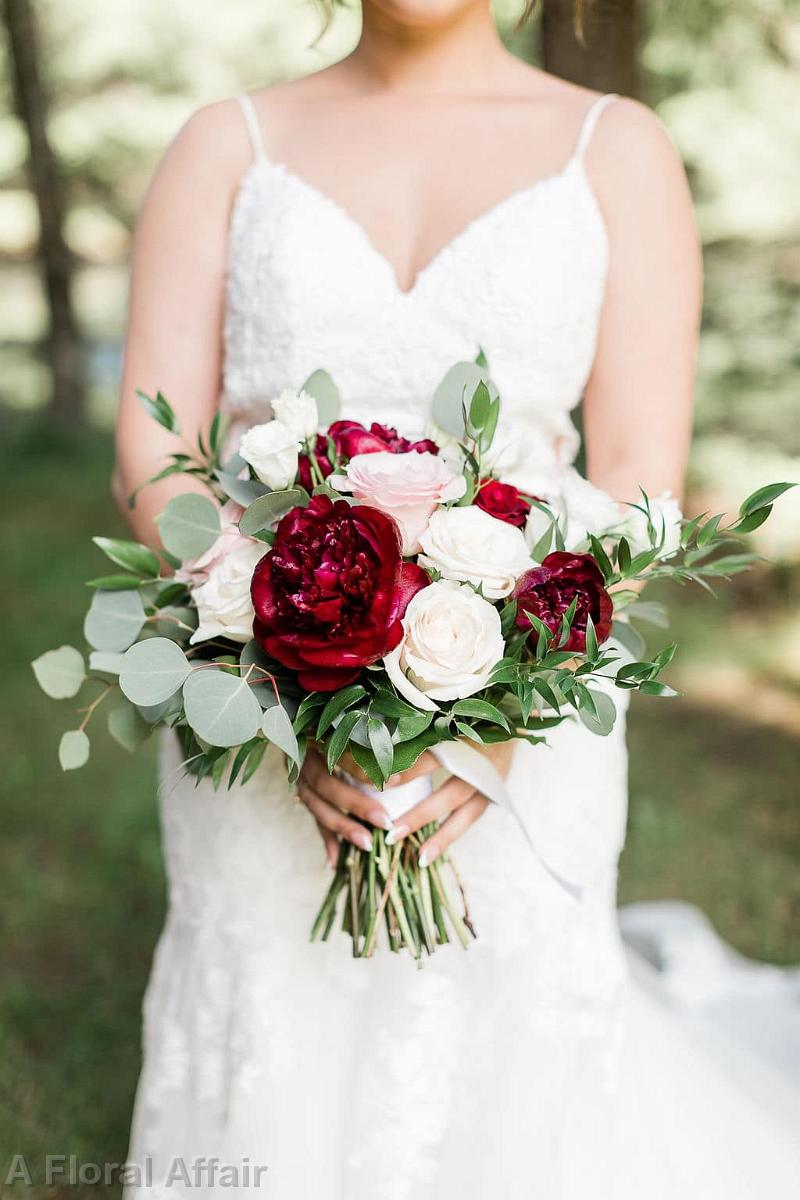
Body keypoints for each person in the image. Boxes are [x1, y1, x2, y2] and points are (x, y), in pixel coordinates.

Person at [114, 2, 800, 1196]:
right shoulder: (225, 144)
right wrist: (276, 685)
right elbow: (154, 454)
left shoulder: (613, 147)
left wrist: (494, 714)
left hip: (532, 699)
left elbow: (637, 472)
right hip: (253, 679)